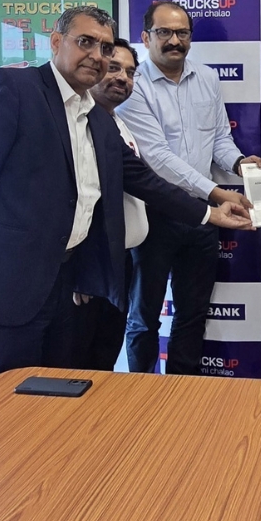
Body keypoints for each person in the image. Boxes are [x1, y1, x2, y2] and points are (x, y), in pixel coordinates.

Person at [0, 6, 253, 392]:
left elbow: (144, 180)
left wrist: (210, 214)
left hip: (67, 292)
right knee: (4, 410)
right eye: (85, 42)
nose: (96, 55)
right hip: (7, 298)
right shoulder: (11, 90)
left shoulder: (98, 118)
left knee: (58, 407)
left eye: (105, 47)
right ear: (56, 42)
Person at [115, 0, 261, 376]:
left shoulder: (207, 78)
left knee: (193, 314)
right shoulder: (132, 85)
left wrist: (239, 164)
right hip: (155, 215)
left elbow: (219, 139)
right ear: (146, 37)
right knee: (143, 317)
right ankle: (142, 393)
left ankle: (184, 392)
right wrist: (217, 193)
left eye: (182, 33)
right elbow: (158, 158)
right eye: (164, 32)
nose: (174, 40)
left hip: (202, 218)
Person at [72, 39, 147, 371]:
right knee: (79, 364)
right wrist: (84, 268)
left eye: (130, 72)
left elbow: (142, 182)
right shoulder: (79, 125)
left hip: (119, 262)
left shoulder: (116, 123)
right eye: (114, 67)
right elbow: (78, 201)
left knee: (105, 361)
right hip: (91, 267)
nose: (122, 78)